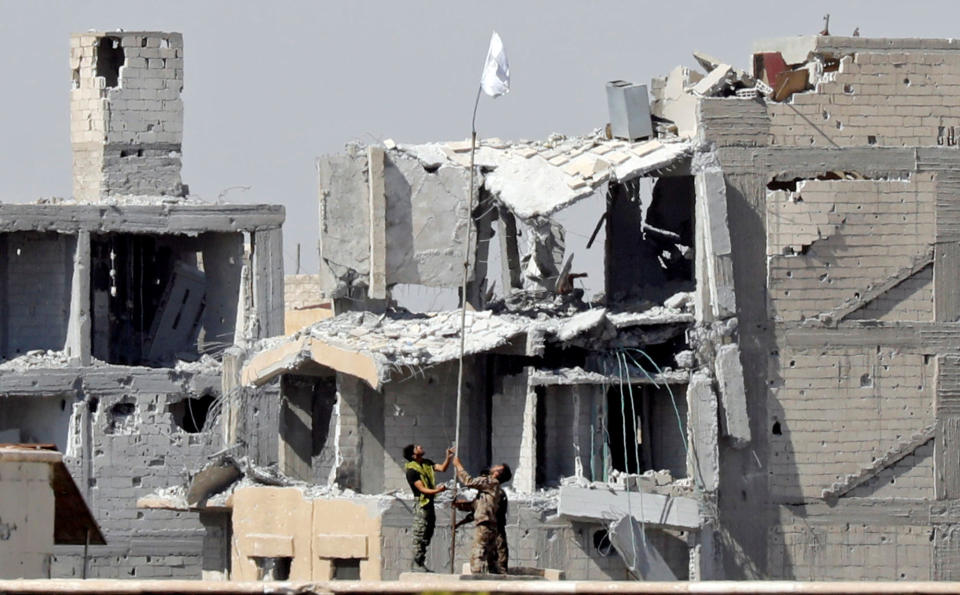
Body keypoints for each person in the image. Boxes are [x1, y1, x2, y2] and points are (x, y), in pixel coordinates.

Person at [453, 456, 512, 574]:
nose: (493, 467)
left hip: (485, 525)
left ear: (496, 473)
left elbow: (468, 481)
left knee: (477, 557)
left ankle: (477, 583)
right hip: (489, 526)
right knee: (491, 560)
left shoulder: (491, 482)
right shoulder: (490, 490)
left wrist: (458, 465)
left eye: (496, 468)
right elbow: (477, 507)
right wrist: (460, 507)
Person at [403, 443, 453, 572]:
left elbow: (442, 468)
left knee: (428, 531)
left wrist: (448, 458)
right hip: (421, 504)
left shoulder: (426, 463)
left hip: (429, 503)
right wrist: (438, 490)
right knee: (420, 532)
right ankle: (416, 562)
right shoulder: (412, 471)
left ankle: (420, 560)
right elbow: (422, 489)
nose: (420, 446)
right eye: (416, 447)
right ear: (413, 455)